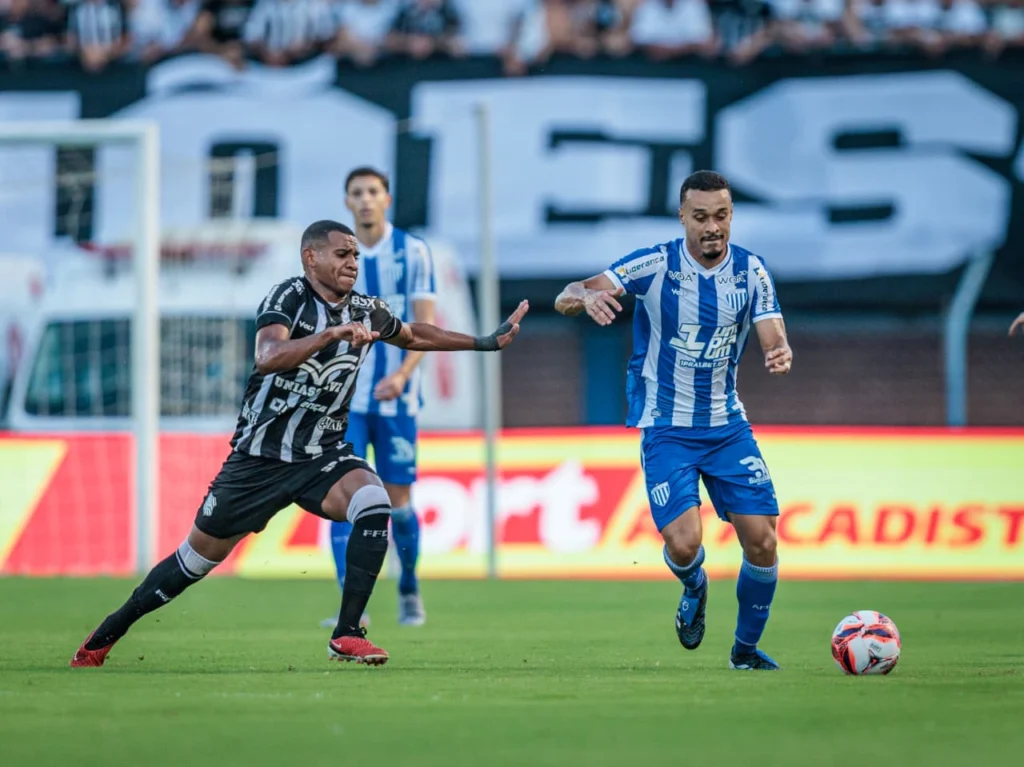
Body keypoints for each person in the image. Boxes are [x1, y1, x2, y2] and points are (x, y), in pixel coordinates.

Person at [71, 220, 529, 669]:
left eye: (356, 255)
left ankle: (347, 633)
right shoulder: (287, 298)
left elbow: (413, 334)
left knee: (373, 501)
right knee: (194, 562)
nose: (353, 262)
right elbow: (268, 356)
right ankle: (107, 633)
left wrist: (485, 342)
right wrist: (329, 335)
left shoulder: (367, 309)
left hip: (322, 454)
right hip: (259, 460)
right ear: (311, 257)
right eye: (342, 254)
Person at [554, 170, 792, 670]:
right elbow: (569, 292)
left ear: (732, 216)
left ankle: (745, 652)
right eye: (700, 217)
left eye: (721, 216)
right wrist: (586, 296)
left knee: (764, 540)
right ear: (682, 216)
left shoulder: (751, 271)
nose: (712, 227)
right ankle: (694, 584)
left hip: (727, 426)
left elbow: (772, 330)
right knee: (684, 545)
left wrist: (778, 350)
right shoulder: (655, 264)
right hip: (666, 427)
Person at [320, 168, 433, 630]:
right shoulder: (331, 256)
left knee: (399, 502)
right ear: (347, 202)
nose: (365, 199)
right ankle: (354, 607)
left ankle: (408, 587)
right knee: (340, 497)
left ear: (386, 198)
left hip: (396, 402)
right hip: (344, 402)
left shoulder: (413, 251)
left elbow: (424, 326)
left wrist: (403, 374)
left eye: (373, 192)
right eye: (357, 193)